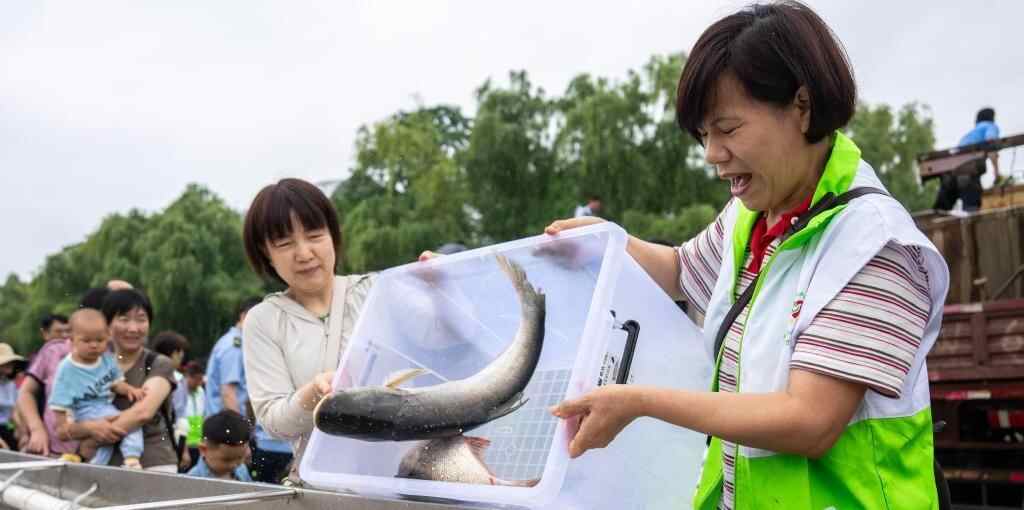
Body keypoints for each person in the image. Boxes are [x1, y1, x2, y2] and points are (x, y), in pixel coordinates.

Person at [543, 3, 949, 509]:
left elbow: (809, 422)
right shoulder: (753, 215)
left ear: (801, 106)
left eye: (727, 129)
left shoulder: (875, 245)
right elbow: (681, 271)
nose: (712, 154)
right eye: (703, 135)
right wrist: (608, 242)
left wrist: (639, 402)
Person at [241, 178, 374, 485]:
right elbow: (274, 422)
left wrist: (443, 285)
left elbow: (442, 344)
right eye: (285, 243)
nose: (303, 253)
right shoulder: (262, 321)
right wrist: (315, 393)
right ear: (266, 253)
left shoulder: (374, 291)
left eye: (314, 235)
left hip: (400, 479)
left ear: (332, 234)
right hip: (323, 488)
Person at [64, 289, 180, 472]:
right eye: (124, 319)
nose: (133, 328)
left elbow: (143, 412)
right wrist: (84, 428)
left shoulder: (158, 364)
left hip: (152, 464)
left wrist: (94, 436)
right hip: (102, 464)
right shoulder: (93, 366)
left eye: (141, 319)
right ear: (107, 325)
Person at [49, 310, 146, 468]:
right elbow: (59, 401)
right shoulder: (67, 368)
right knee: (129, 424)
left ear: (107, 337)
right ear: (72, 340)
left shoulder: (106, 359)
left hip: (104, 407)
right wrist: (63, 425)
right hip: (82, 409)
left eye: (100, 340)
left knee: (106, 439)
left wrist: (130, 389)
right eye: (86, 341)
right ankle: (129, 457)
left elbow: (115, 383)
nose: (94, 345)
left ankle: (112, 462)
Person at [934, 107, 1002, 212]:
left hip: (949, 175)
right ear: (992, 119)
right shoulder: (990, 126)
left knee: (939, 213)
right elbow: (991, 142)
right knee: (972, 214)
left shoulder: (968, 136)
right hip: (968, 172)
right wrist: (997, 174)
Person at [152, 330, 191, 469]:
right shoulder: (178, 380)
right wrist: (184, 450)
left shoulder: (149, 372)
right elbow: (179, 417)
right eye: (180, 352)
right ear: (175, 353)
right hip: (170, 440)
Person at [187, 410, 253, 482]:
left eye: (240, 458)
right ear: (203, 449)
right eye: (227, 460)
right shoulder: (192, 480)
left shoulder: (241, 470)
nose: (234, 465)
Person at [178, 360, 206, 471]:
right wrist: (184, 451)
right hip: (184, 444)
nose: (200, 383)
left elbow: (203, 416)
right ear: (188, 376)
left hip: (198, 445)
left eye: (201, 379)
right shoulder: (179, 392)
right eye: (197, 379)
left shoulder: (200, 391)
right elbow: (179, 423)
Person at [0, 343, 26, 450]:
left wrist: (22, 432)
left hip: (5, 428)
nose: (10, 364)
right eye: (6, 362)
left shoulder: (9, 384)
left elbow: (14, 411)